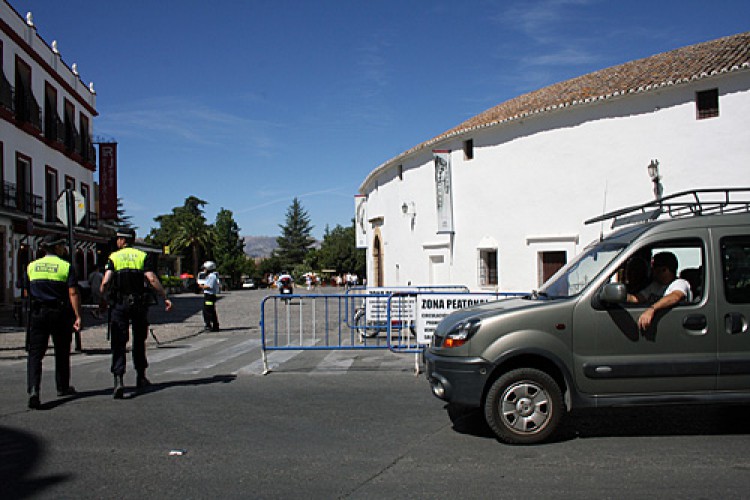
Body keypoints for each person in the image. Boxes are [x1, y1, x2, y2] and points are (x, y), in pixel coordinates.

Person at [100, 229, 172, 398]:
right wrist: (164, 296)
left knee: (118, 342)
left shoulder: (114, 257)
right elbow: (152, 279)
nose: (117, 241)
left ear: (122, 240)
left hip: (119, 304)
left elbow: (106, 281)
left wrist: (102, 299)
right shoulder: (141, 256)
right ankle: (141, 376)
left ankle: (119, 380)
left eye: (118, 239)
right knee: (139, 340)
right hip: (139, 304)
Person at [26, 234, 83, 409]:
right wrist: (78, 315)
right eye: (62, 245)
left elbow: (27, 292)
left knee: (35, 354)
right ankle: (62, 386)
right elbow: (73, 293)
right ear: (57, 248)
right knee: (62, 351)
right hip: (60, 313)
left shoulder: (32, 266)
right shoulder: (66, 266)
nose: (64, 248)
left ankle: (34, 390)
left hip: (38, 312)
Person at [627, 251, 692, 330]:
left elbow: (675, 296)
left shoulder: (680, 283)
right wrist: (624, 296)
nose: (653, 273)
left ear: (665, 270)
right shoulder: (655, 285)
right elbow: (637, 298)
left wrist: (652, 309)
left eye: (655, 269)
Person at [200, 261, 220, 332]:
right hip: (209, 295)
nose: (204, 270)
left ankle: (209, 325)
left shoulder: (211, 276)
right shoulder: (210, 276)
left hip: (209, 296)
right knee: (211, 310)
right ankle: (215, 325)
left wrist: (200, 286)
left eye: (205, 269)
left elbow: (209, 286)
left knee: (207, 311)